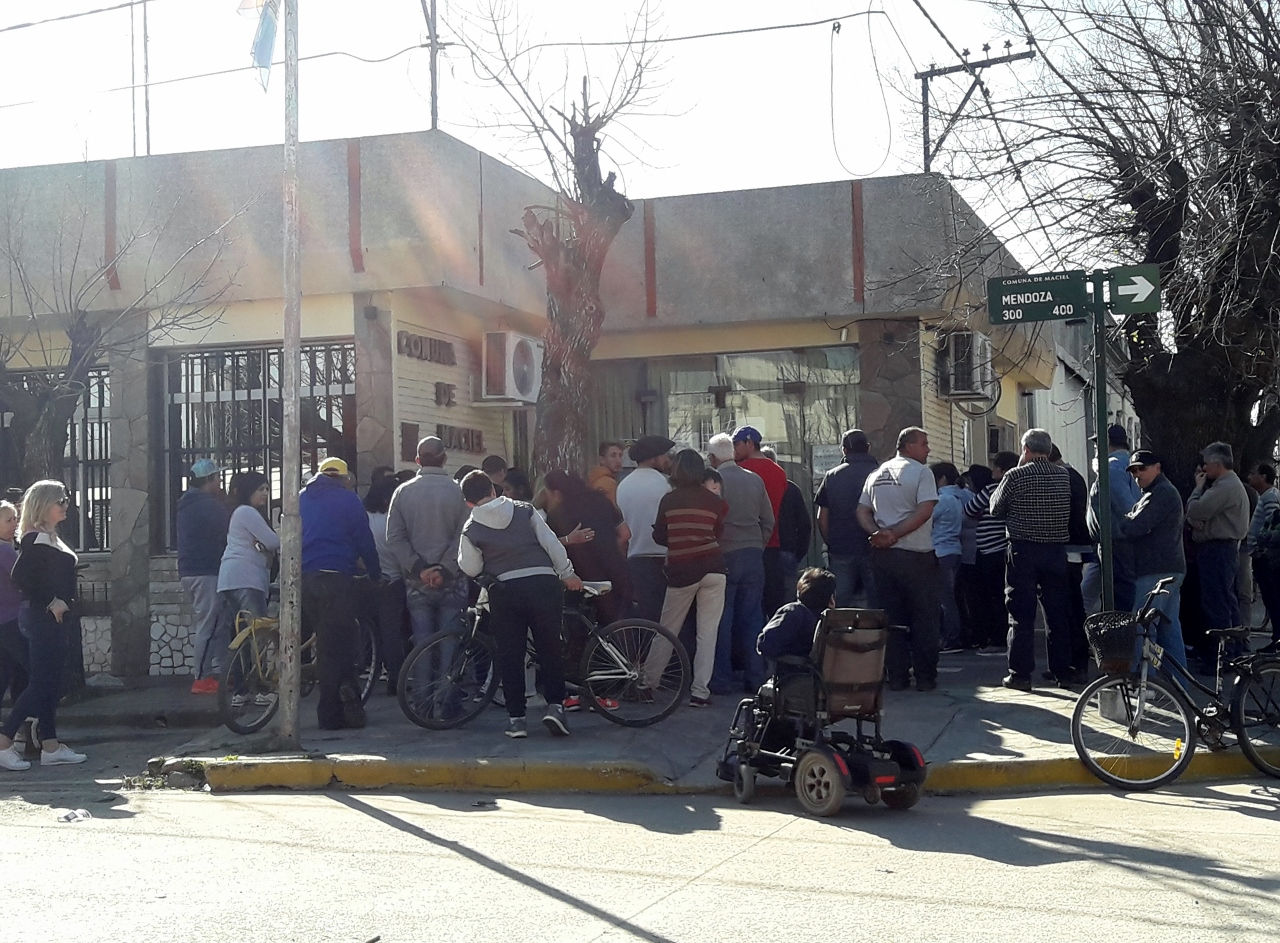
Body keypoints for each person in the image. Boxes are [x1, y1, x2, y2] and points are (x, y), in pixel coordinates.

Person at [457, 470, 582, 739]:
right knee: (550, 648)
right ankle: (556, 708)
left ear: (468, 502)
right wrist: (567, 573)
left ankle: (517, 720)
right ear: (494, 490)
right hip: (543, 585)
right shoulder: (524, 510)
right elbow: (550, 543)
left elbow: (470, 566)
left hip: (506, 591)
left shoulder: (471, 527)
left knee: (510, 655)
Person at [0, 481, 88, 770]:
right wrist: (52, 601)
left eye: (65, 500)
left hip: (53, 620)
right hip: (42, 620)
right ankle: (4, 739)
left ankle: (50, 745)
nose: (65, 505)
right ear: (43, 505)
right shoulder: (35, 539)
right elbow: (21, 577)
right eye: (59, 501)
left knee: (50, 684)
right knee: (41, 683)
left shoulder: (48, 536)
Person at [300, 457, 382, 730]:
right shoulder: (349, 501)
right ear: (344, 479)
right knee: (339, 648)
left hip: (306, 579)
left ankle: (340, 705)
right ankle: (333, 714)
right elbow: (364, 540)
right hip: (337, 578)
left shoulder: (301, 498)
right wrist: (375, 572)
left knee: (325, 642)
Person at [989, 429, 1074, 690]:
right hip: (1056, 549)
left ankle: (1020, 674)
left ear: (1025, 449)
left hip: (1023, 550)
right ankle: (1062, 671)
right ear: (1049, 451)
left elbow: (995, 508)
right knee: (1057, 612)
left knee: (1020, 613)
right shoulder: (1063, 475)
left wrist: (1016, 468)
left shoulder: (1015, 475)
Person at [856, 426, 940, 691]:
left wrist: (878, 534)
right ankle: (925, 677)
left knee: (891, 619)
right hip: (917, 555)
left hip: (883, 557)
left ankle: (897, 676)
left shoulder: (877, 474)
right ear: (908, 446)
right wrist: (894, 534)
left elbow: (861, 511)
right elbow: (925, 510)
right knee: (924, 617)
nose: (928, 449)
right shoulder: (922, 472)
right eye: (924, 444)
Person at [650, 449, 728, 707]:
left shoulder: (669, 500)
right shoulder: (715, 502)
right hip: (714, 569)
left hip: (682, 570)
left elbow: (659, 536)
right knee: (708, 633)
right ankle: (700, 692)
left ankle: (648, 683)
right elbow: (719, 532)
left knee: (667, 629)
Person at [386, 437, 470, 652]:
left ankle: (422, 683)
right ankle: (447, 685)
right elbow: (465, 534)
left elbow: (395, 537)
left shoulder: (402, 492)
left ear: (417, 460)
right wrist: (445, 568)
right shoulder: (459, 492)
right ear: (444, 458)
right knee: (450, 642)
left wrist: (419, 568)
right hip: (453, 579)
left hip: (417, 580)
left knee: (421, 643)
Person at [707, 432, 774, 694]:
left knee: (722, 619)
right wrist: (758, 544)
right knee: (752, 617)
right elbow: (768, 520)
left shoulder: (713, 482)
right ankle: (755, 676)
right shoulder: (754, 480)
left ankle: (721, 679)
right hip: (753, 554)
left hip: (723, 554)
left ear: (713, 458)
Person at [1117, 450, 1188, 666]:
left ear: (1157, 467)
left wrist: (1127, 520)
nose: (1137, 474)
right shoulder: (1158, 492)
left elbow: (1135, 526)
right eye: (1133, 471)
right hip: (1168, 567)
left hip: (1157, 570)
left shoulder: (1161, 493)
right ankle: (1178, 684)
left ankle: (1141, 679)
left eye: (1142, 468)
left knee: (1142, 624)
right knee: (1168, 627)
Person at [543, 469, 632, 626]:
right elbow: (625, 533)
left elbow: (550, 546)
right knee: (617, 627)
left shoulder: (557, 513)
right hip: (616, 571)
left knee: (576, 626)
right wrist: (610, 550)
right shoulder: (602, 500)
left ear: (555, 492)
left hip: (581, 579)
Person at [1185, 441, 1251, 651]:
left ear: (1217, 463)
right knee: (1227, 601)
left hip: (1217, 550)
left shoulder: (1225, 486)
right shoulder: (1230, 485)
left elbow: (1196, 511)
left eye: (1206, 464)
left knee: (1216, 604)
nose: (1204, 469)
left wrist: (1197, 490)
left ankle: (1222, 655)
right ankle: (1237, 647)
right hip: (1224, 549)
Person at [178, 458, 232, 694]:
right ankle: (200, 677)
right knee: (209, 624)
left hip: (192, 571)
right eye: (217, 478)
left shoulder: (187, 504)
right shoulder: (207, 505)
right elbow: (227, 527)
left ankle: (214, 674)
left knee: (216, 623)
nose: (220, 481)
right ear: (207, 481)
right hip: (206, 570)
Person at [815, 429, 879, 608]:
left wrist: (832, 542)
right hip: (875, 547)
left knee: (841, 603)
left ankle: (842, 635)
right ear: (868, 447)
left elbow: (822, 518)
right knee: (877, 600)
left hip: (841, 548)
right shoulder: (880, 473)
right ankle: (877, 634)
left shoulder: (832, 476)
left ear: (844, 450)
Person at [616, 435, 674, 623]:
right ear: (653, 457)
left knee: (647, 618)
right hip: (665, 558)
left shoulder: (622, 486)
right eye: (664, 455)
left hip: (636, 559)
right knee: (669, 618)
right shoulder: (666, 484)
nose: (667, 459)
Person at [1084, 424, 1142, 613]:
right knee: (1089, 593)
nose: (1095, 449)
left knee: (1120, 595)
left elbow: (1127, 506)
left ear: (1106, 442)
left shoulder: (1112, 467)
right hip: (1115, 542)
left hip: (1116, 542)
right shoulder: (1127, 464)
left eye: (1097, 444)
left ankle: (1120, 638)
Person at [733, 426, 789, 621]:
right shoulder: (779, 472)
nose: (734, 449)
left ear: (749, 443)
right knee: (773, 602)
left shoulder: (740, 470)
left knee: (746, 606)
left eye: (737, 444)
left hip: (743, 544)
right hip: (773, 542)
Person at [964, 453, 1018, 654]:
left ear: (1002, 470)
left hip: (989, 550)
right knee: (1004, 595)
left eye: (995, 467)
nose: (992, 470)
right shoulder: (1015, 487)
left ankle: (996, 639)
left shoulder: (991, 489)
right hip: (1006, 547)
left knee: (991, 596)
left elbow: (970, 509)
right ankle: (1004, 636)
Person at [1052, 445, 1094, 681]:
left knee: (1070, 608)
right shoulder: (1074, 476)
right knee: (1070, 607)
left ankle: (1075, 663)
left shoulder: (1065, 477)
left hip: (1069, 548)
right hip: (1074, 547)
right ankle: (1069, 661)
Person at [365, 476, 409, 694]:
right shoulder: (394, 522)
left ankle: (369, 671)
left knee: (368, 632)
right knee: (392, 633)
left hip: (367, 581)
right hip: (393, 581)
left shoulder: (364, 518)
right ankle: (395, 676)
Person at [217, 471, 279, 621]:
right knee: (257, 632)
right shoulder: (247, 512)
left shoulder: (242, 512)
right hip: (246, 580)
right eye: (260, 489)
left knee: (241, 633)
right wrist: (265, 546)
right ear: (249, 491)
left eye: (267, 489)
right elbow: (274, 542)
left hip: (233, 580)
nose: (265, 493)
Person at [760, 446, 812, 601]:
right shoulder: (791, 488)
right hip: (787, 550)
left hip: (763, 549)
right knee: (787, 598)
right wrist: (798, 553)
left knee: (761, 597)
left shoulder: (757, 487)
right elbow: (804, 524)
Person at [758, 567, 838, 663]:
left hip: (794, 673)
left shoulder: (794, 612)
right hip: (826, 674)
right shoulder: (834, 621)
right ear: (831, 598)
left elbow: (765, 645)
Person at [931, 462, 966, 654]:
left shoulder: (942, 499)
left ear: (941, 479)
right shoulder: (963, 495)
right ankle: (954, 635)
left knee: (944, 598)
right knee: (951, 596)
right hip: (956, 549)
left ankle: (951, 638)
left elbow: (925, 519)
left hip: (940, 551)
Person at [0, 501, 27, 729]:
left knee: (6, 672)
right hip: (11, 619)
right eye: (8, 520)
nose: (14, 524)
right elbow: (23, 579)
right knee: (29, 670)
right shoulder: (5, 551)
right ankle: (20, 727)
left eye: (16, 519)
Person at [1248, 464, 1280, 647]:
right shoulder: (1265, 496)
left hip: (1266, 559)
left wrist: (1261, 548)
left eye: (1254, 474)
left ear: (1264, 476)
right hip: (1263, 557)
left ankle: (1277, 639)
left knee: (1273, 599)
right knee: (1270, 599)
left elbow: (1271, 524)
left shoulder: (1270, 498)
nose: (1250, 477)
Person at [588, 441, 625, 508]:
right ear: (602, 460)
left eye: (620, 455)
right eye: (613, 456)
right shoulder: (608, 483)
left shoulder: (595, 478)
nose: (618, 460)